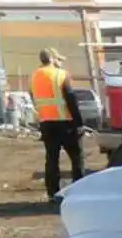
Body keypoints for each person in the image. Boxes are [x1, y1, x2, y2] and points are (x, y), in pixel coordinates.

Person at [31, 49, 85, 202]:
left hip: (47, 123)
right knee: (77, 158)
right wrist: (79, 122)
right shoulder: (61, 74)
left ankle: (52, 192)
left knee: (52, 159)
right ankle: (79, 190)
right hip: (65, 123)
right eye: (58, 59)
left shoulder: (35, 76)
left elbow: (33, 97)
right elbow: (71, 98)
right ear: (53, 59)